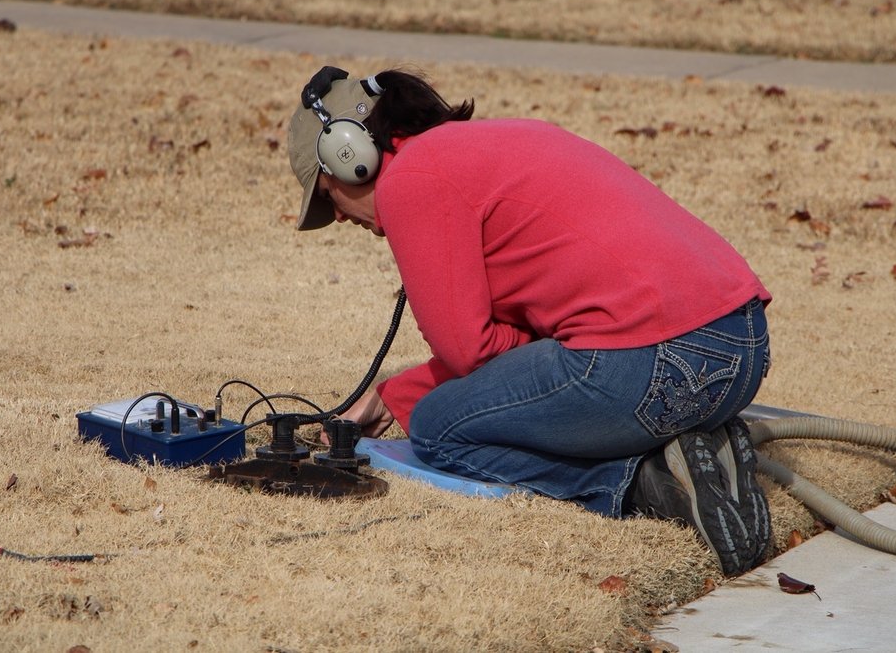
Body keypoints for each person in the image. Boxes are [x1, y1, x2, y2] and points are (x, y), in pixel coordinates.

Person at [286, 66, 773, 575]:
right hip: (743, 352)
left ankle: (646, 481)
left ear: (351, 155)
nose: (337, 216)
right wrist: (395, 395)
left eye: (327, 196)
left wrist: (414, 403)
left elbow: (468, 352)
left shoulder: (413, 179)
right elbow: (516, 347)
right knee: (446, 405)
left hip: (651, 368)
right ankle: (702, 446)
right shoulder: (502, 139)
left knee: (436, 430)